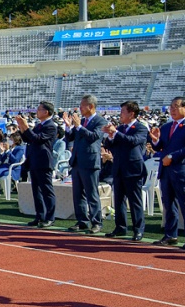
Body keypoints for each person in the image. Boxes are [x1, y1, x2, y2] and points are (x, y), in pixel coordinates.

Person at [150, 97, 185, 250]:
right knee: (169, 205)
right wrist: (155, 141)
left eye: (176, 106)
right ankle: (170, 235)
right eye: (170, 107)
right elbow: (162, 146)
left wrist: (172, 157)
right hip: (166, 171)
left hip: (182, 170)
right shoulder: (166, 127)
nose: (172, 109)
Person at [102, 101, 148, 241]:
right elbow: (111, 145)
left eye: (123, 111)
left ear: (131, 113)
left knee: (135, 201)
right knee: (119, 200)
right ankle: (120, 227)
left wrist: (115, 133)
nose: (120, 114)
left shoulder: (140, 128)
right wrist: (110, 136)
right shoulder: (120, 128)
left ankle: (138, 229)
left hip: (133, 169)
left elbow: (132, 141)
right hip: (119, 167)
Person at [63, 95, 105, 234]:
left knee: (92, 194)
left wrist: (79, 126)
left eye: (82, 105)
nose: (80, 108)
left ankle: (96, 222)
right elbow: (70, 138)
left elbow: (93, 137)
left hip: (90, 162)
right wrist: (68, 127)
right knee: (78, 194)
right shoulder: (80, 121)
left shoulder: (100, 121)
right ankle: (82, 221)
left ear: (91, 106)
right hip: (77, 162)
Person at [17, 102, 58, 227]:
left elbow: (37, 139)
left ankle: (50, 217)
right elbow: (28, 139)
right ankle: (39, 216)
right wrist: (22, 129)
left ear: (46, 112)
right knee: (37, 191)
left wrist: (26, 127)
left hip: (43, 161)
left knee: (46, 190)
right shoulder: (40, 125)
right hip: (34, 160)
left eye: (39, 109)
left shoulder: (51, 126)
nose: (37, 111)